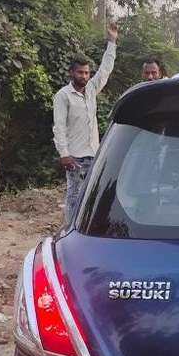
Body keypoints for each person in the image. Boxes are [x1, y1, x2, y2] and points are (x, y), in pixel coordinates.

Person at [53, 23, 118, 223]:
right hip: (74, 157)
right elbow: (59, 127)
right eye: (80, 72)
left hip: (93, 153)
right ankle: (70, 227)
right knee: (74, 194)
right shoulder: (63, 95)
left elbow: (105, 70)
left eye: (87, 73)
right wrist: (64, 155)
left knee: (93, 194)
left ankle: (89, 226)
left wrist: (112, 42)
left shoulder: (91, 90)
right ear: (72, 73)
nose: (84, 76)